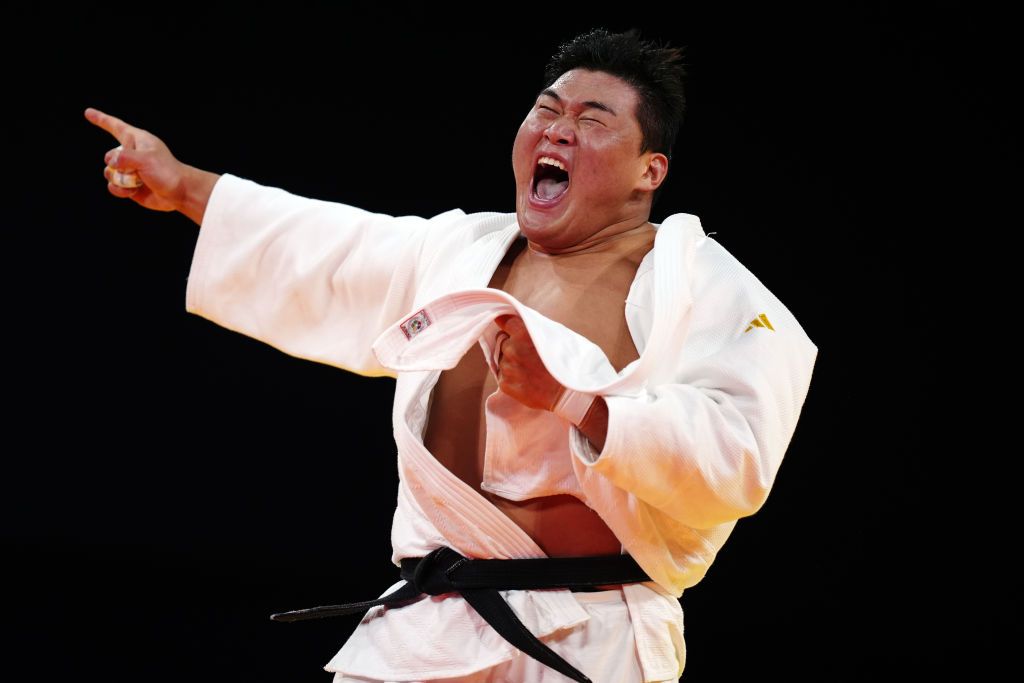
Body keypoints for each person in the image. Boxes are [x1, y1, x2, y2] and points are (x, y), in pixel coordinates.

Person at [86, 28, 817, 683]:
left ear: (648, 172)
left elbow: (737, 457)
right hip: (425, 632)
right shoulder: (461, 251)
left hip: (586, 637)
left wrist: (572, 398)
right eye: (547, 111)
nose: (557, 132)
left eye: (590, 122)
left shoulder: (705, 287)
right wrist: (186, 188)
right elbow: (330, 247)